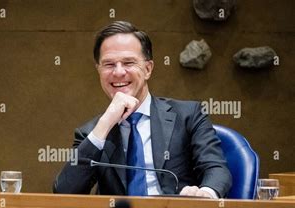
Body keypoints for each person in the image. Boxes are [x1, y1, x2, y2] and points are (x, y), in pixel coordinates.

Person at [53, 21, 231, 198]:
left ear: (147, 69)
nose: (118, 72)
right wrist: (105, 125)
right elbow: (65, 192)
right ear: (98, 71)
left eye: (128, 62)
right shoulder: (91, 133)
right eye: (109, 64)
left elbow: (216, 169)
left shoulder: (188, 115)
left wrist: (204, 195)